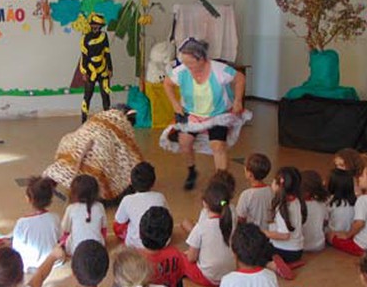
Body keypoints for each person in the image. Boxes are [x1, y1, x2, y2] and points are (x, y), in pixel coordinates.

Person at [163, 37, 246, 190]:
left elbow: (239, 78)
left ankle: (221, 181)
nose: (187, 66)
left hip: (217, 115)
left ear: (201, 59)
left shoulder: (218, 69)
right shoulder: (182, 71)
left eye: (190, 63)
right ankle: (192, 171)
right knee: (184, 142)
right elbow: (167, 83)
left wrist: (238, 101)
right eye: (185, 63)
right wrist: (175, 104)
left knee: (218, 146)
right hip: (192, 114)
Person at [183, 181, 236, 287]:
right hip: (230, 273)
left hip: (208, 278)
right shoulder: (231, 222)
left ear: (204, 203)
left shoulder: (201, 226)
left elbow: (191, 258)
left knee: (180, 258)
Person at [263, 167, 307, 279]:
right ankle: (289, 264)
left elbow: (284, 235)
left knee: (255, 252)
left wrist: (264, 233)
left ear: (280, 184)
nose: (271, 183)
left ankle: (274, 266)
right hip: (297, 252)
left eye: (273, 181)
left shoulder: (282, 207)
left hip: (285, 251)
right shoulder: (297, 201)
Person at [139, 206, 186, 287]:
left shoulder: (135, 259)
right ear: (169, 238)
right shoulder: (175, 254)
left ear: (140, 234)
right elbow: (179, 282)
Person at [113, 162, 168, 248]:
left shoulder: (127, 199)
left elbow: (119, 222)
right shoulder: (160, 197)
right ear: (153, 182)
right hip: (161, 242)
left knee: (118, 225)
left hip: (135, 245)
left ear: (131, 182)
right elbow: (168, 217)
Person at [12, 176, 61, 271]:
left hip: (31, 264)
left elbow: (16, 248)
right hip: (54, 262)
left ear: (28, 199)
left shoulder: (22, 222)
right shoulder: (55, 217)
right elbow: (59, 238)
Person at [61, 174, 107, 254]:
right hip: (98, 249)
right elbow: (104, 229)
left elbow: (65, 229)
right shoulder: (100, 206)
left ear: (74, 193)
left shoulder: (71, 208)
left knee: (63, 237)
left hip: (75, 250)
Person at [80, 13, 113, 123]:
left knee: (105, 95)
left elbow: (107, 53)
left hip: (103, 69)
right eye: (94, 25)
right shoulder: (85, 38)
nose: (96, 27)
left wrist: (110, 68)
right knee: (87, 96)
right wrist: (84, 72)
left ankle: (107, 119)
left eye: (98, 25)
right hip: (90, 70)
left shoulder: (104, 36)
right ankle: (83, 120)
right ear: (91, 25)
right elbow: (84, 56)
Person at [236, 153, 273, 230]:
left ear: (250, 175)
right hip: (269, 231)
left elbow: (240, 217)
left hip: (252, 233)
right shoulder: (271, 191)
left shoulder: (246, 194)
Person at [301, 170, 329, 252]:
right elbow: (325, 221)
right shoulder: (322, 204)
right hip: (319, 245)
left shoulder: (297, 205)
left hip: (301, 245)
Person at [325, 168, 356, 238]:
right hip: (350, 233)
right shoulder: (355, 201)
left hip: (334, 234)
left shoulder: (330, 201)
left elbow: (325, 219)